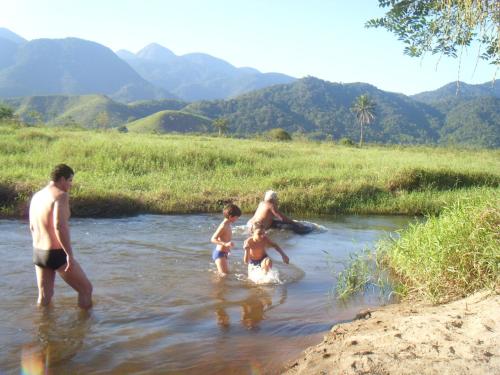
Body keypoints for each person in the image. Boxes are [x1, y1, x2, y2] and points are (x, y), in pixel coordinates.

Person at [29, 164, 93, 309]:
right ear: (62, 179)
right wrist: (69, 254)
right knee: (86, 289)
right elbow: (60, 226)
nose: (71, 185)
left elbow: (32, 226)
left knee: (45, 296)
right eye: (70, 180)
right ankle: (85, 327)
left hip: (39, 252)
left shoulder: (37, 196)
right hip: (56, 253)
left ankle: (42, 328)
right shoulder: (60, 196)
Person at [210, 203, 241, 276]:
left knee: (224, 275)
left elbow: (225, 238)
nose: (237, 219)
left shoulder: (228, 224)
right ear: (230, 216)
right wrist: (225, 244)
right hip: (219, 254)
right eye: (236, 217)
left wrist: (228, 248)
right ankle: (215, 287)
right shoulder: (223, 225)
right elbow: (213, 239)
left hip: (224, 254)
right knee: (223, 276)